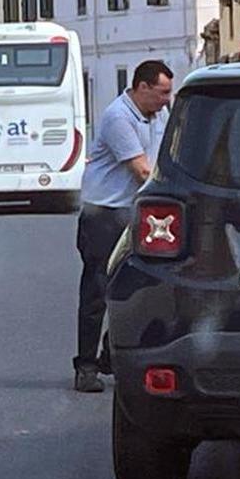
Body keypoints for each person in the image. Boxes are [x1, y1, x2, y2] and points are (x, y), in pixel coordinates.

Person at [73, 61, 174, 392]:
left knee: (135, 286)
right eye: (162, 92)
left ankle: (108, 355)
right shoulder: (119, 117)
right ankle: (86, 366)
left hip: (133, 211)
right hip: (104, 213)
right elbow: (143, 172)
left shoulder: (156, 115)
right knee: (97, 290)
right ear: (142, 88)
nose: (166, 99)